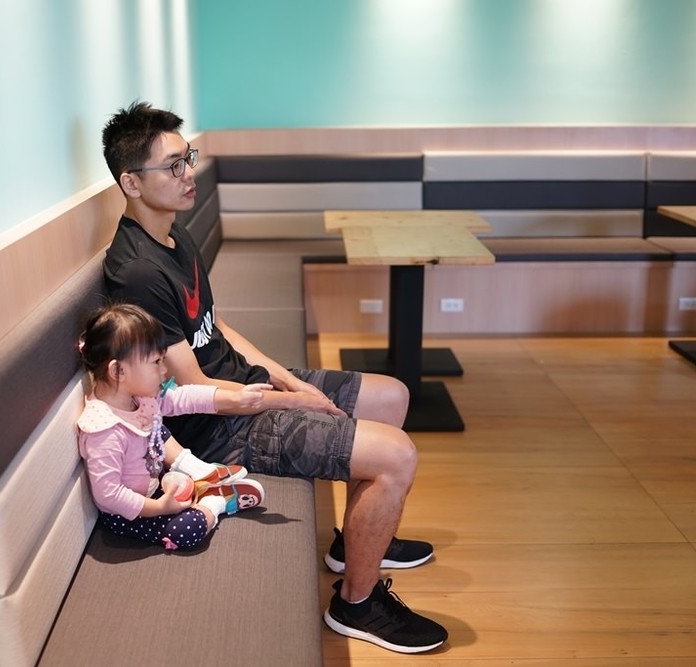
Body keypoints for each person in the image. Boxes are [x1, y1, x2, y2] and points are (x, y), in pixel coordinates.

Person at [100, 101, 448, 653]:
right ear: (132, 183)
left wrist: (287, 380)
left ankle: (354, 544)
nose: (189, 174)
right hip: (219, 428)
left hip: (247, 388)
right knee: (397, 455)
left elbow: (217, 327)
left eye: (188, 158)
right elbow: (194, 391)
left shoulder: (174, 236)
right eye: (173, 165)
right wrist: (291, 403)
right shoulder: (137, 273)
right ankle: (357, 605)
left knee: (392, 396)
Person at [77, 302, 271, 551]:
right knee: (187, 530)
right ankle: (216, 501)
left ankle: (197, 481)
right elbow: (109, 496)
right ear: (118, 371)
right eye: (156, 362)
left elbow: (184, 398)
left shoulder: (139, 398)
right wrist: (159, 508)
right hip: (128, 513)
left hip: (154, 486)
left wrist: (234, 398)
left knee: (156, 426)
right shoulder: (105, 430)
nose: (164, 370)